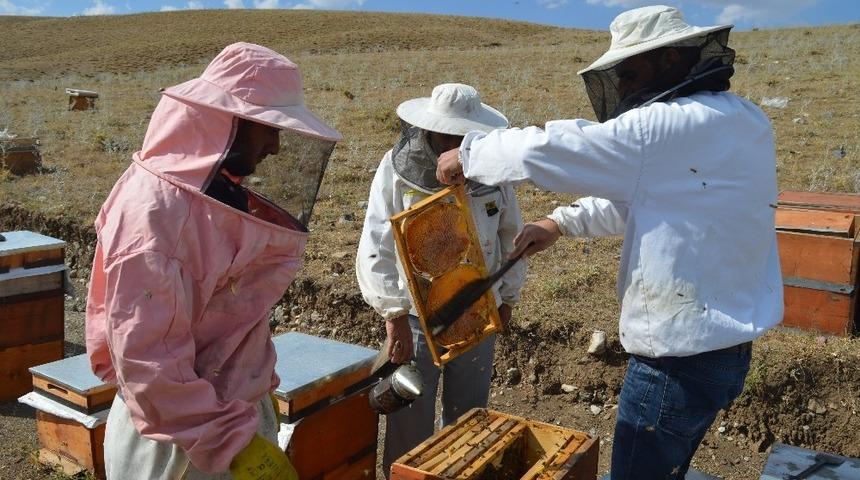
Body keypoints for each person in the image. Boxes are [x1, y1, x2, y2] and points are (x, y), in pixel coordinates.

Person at [436, 6, 783, 479]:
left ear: (669, 61)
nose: (626, 86)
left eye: (632, 71)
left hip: (674, 364)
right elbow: (647, 198)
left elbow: (560, 146)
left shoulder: (661, 128)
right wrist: (559, 223)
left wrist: (472, 152)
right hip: (727, 352)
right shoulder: (744, 120)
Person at [85, 42, 342, 480]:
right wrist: (231, 443)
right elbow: (148, 361)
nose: (277, 146)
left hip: (224, 419)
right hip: (181, 443)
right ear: (228, 121)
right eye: (268, 127)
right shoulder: (155, 215)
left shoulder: (215, 191)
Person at [355, 83, 526, 476]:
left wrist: (508, 298)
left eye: (463, 135)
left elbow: (511, 235)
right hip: (417, 317)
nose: (454, 142)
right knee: (408, 419)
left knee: (469, 418)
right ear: (428, 129)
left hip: (478, 312)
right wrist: (393, 314)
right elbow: (376, 240)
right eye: (447, 133)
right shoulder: (396, 168)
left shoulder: (494, 170)